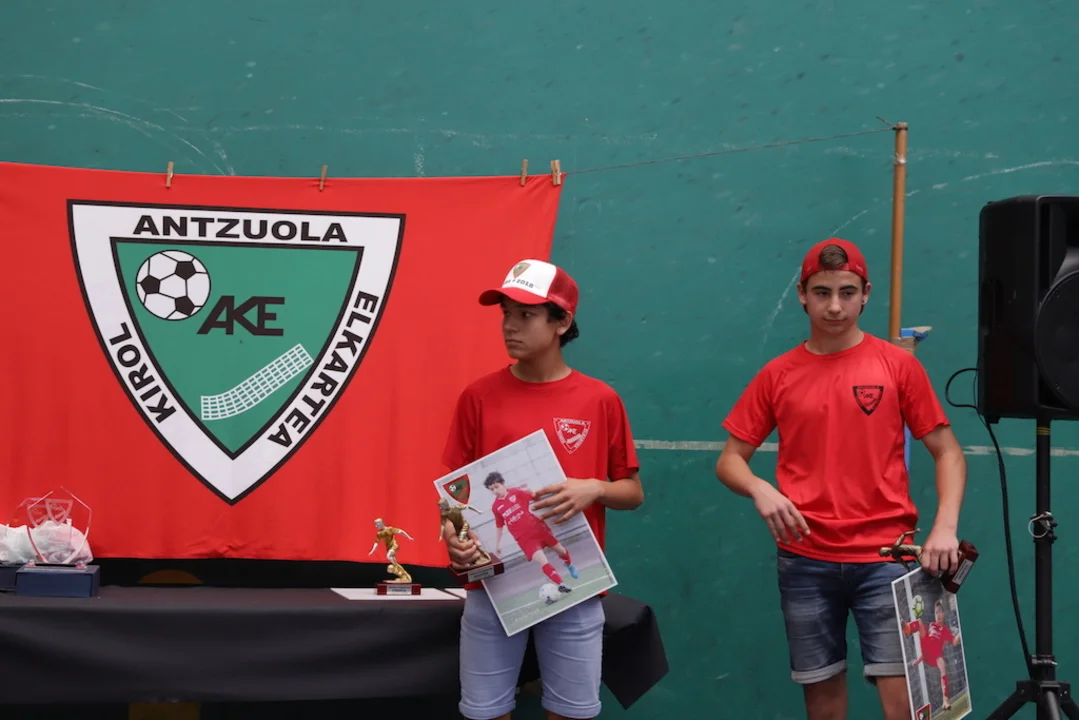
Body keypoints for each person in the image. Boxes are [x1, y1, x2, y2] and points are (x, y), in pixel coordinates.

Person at [714, 238, 967, 720]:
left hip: (888, 559)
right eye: (822, 292)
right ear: (801, 294)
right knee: (825, 708)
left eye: (847, 292)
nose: (835, 305)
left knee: (908, 707)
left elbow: (949, 453)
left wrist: (945, 528)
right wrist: (760, 488)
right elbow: (729, 461)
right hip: (805, 561)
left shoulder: (899, 366)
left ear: (866, 294)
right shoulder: (777, 374)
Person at [440, 258, 644, 720]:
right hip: (493, 589)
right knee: (484, 713)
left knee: (571, 713)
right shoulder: (477, 397)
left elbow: (632, 492)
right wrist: (453, 534)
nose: (510, 326)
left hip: (577, 594)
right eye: (506, 314)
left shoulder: (600, 400)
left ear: (562, 322)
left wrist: (594, 488)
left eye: (526, 315)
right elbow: (456, 496)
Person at [484, 470, 577, 594]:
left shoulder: (516, 492)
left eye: (496, 487)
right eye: (492, 489)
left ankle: (568, 564)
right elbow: (499, 525)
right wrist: (497, 545)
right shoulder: (496, 507)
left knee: (562, 551)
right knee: (543, 561)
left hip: (538, 529)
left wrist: (531, 491)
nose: (495, 491)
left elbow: (534, 497)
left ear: (503, 483)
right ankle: (561, 583)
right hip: (524, 539)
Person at [908, 598, 962, 711]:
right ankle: (906, 628)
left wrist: (960, 634)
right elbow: (926, 648)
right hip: (926, 649)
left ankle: (945, 700)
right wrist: (918, 660)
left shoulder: (945, 630)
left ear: (943, 614)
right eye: (936, 612)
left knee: (942, 664)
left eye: (940, 612)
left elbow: (954, 641)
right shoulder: (932, 625)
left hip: (935, 656)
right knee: (919, 622)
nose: (938, 614)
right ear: (934, 614)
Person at [368, 518, 413, 584]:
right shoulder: (379, 533)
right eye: (375, 524)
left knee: (388, 556)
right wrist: (372, 551)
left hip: (394, 545)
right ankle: (403, 574)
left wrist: (408, 537)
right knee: (392, 560)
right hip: (388, 548)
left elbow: (401, 531)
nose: (376, 526)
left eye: (377, 524)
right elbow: (376, 543)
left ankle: (397, 566)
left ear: (382, 523)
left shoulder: (389, 529)